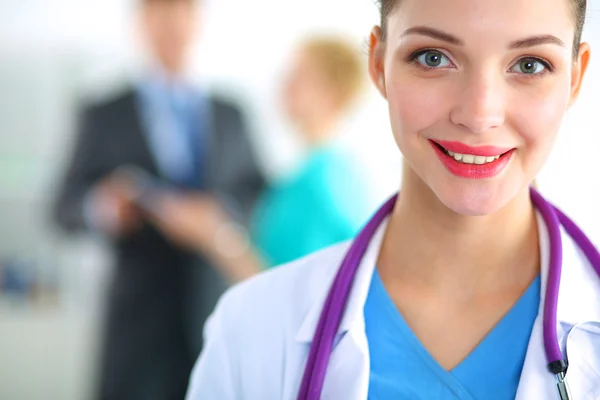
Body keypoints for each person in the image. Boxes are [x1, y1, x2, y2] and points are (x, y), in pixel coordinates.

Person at [186, 0, 600, 399]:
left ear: (575, 78)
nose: (479, 114)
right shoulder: (248, 329)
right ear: (379, 64)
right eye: (433, 58)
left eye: (530, 65)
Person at [52, 0, 265, 398]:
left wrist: (219, 218)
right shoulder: (103, 112)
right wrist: (103, 208)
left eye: (183, 11)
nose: (173, 23)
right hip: (138, 326)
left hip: (217, 312)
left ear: (197, 21)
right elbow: (62, 206)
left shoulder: (231, 112)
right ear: (141, 23)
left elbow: (256, 191)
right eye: (160, 11)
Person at [251, 36, 375, 267]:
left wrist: (216, 238)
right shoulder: (307, 173)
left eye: (301, 77)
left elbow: (284, 281)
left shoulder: (325, 178)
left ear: (334, 94)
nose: (286, 85)